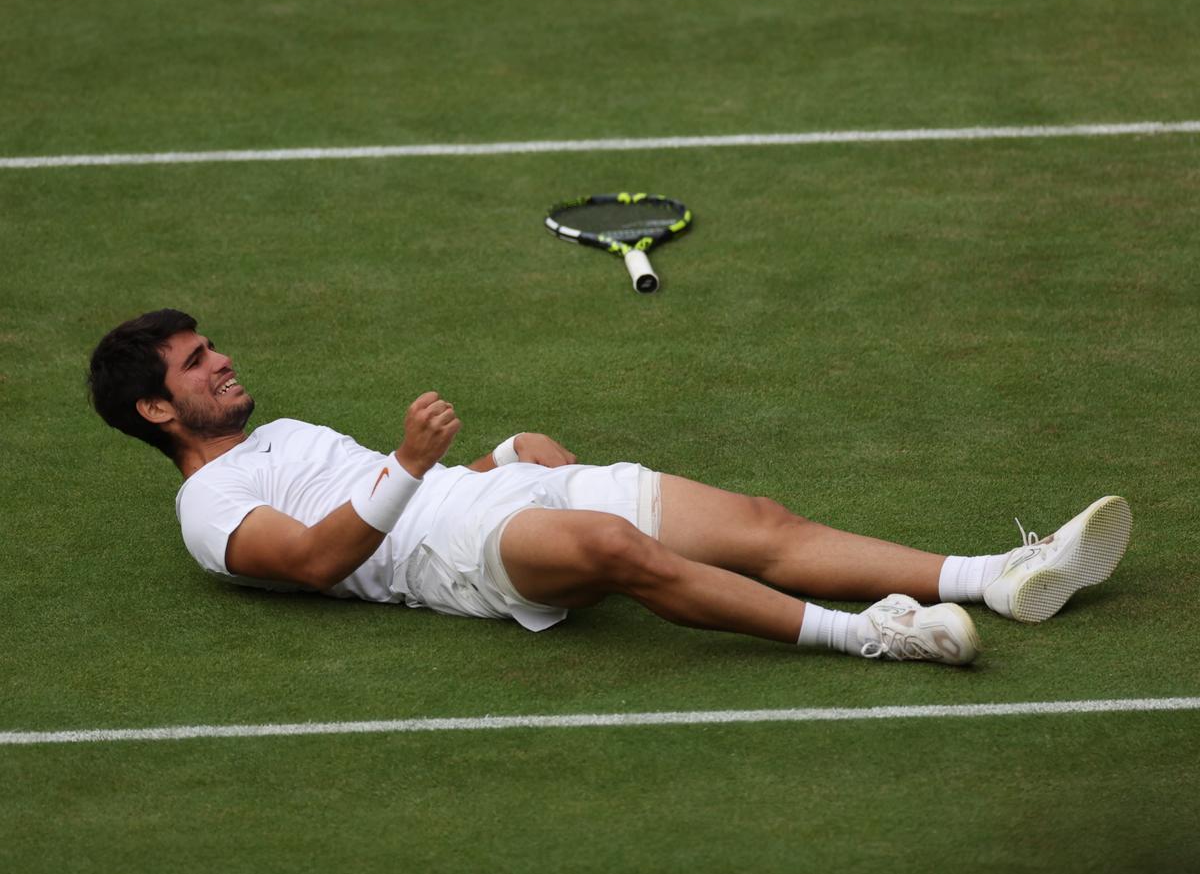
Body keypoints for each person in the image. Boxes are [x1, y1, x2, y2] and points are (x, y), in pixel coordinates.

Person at [88, 309, 1133, 667]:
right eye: (195, 364)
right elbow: (318, 560)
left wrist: (491, 459)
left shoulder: (275, 432)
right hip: (458, 557)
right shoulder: (206, 511)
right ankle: (873, 634)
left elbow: (375, 486)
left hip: (479, 495)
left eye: (211, 346)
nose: (220, 362)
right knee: (621, 555)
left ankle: (997, 572)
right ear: (155, 412)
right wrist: (412, 465)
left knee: (762, 522)